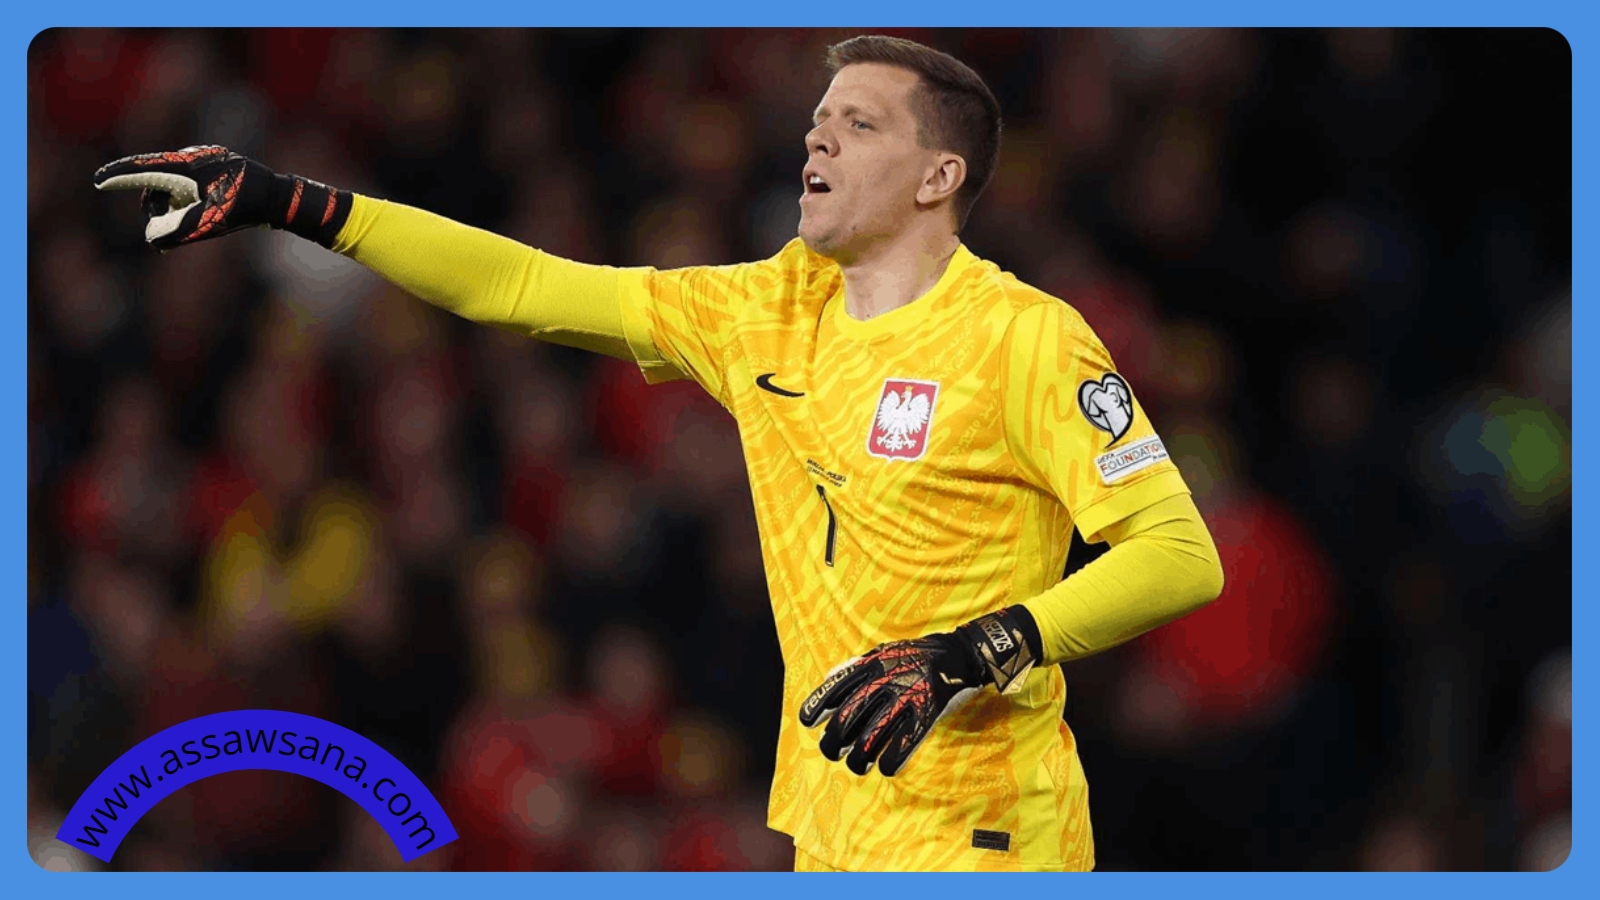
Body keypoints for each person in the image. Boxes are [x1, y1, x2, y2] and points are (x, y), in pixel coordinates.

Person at [95, 34, 1224, 873]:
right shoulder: (763, 310)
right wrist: (294, 201)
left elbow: (1179, 556)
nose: (817, 137)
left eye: (860, 124)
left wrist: (976, 651)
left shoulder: (1025, 339)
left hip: (988, 832)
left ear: (939, 178)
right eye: (818, 120)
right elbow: (525, 286)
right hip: (832, 823)